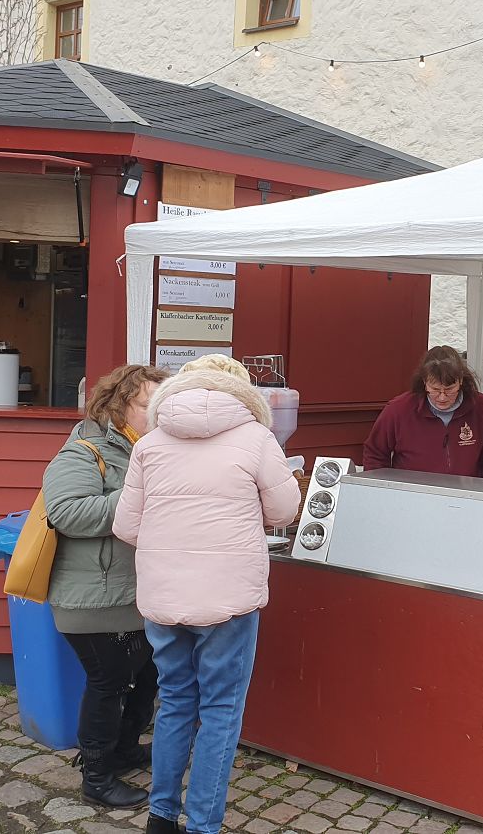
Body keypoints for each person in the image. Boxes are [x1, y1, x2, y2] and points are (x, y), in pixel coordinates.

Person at [113, 354, 301, 834]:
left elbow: (126, 526)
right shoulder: (256, 438)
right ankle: (202, 825)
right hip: (228, 598)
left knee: (175, 700)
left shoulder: (149, 443)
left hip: (164, 596)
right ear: (241, 393)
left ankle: (161, 817)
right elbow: (284, 510)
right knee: (220, 711)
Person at [44, 365, 169, 810]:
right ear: (118, 405)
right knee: (110, 682)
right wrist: (138, 496)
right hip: (92, 598)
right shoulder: (85, 450)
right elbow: (66, 512)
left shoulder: (149, 450)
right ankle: (96, 776)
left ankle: (124, 749)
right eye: (149, 405)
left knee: (147, 675)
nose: (159, 414)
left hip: (134, 593)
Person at [363, 345, 483, 479]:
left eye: (450, 389)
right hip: (411, 493)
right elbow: (375, 454)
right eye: (435, 389)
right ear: (424, 382)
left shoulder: (481, 407)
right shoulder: (399, 410)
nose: (442, 397)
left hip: (466, 494)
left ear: (460, 381)